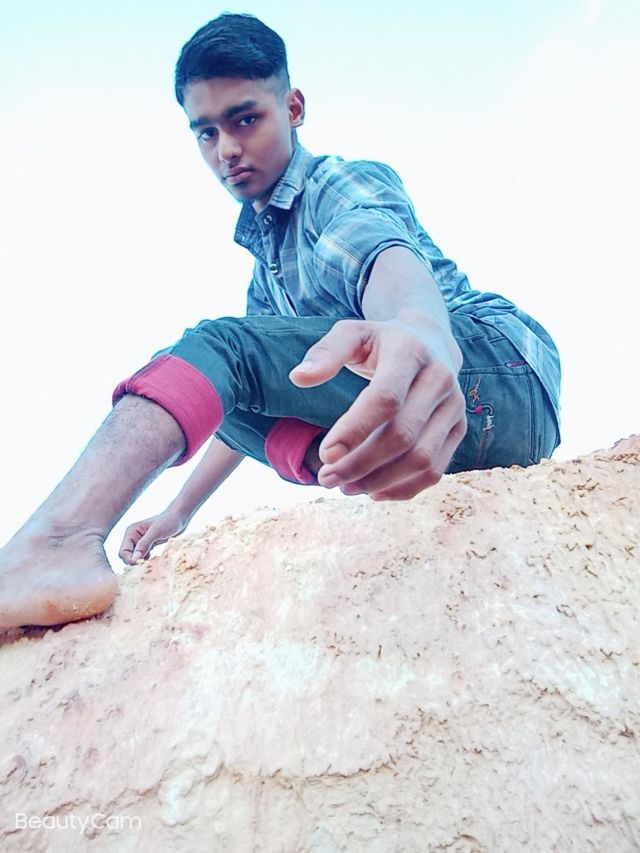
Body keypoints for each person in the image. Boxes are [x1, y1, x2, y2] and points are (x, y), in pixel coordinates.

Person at [0, 13, 560, 633]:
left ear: (293, 108)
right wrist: (178, 512)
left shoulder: (336, 183)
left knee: (218, 347)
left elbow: (381, 251)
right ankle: (356, 463)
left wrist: (421, 327)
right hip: (432, 434)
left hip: (496, 372)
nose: (226, 150)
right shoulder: (266, 270)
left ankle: (57, 542)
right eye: (206, 132)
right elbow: (239, 399)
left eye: (245, 120)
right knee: (217, 393)